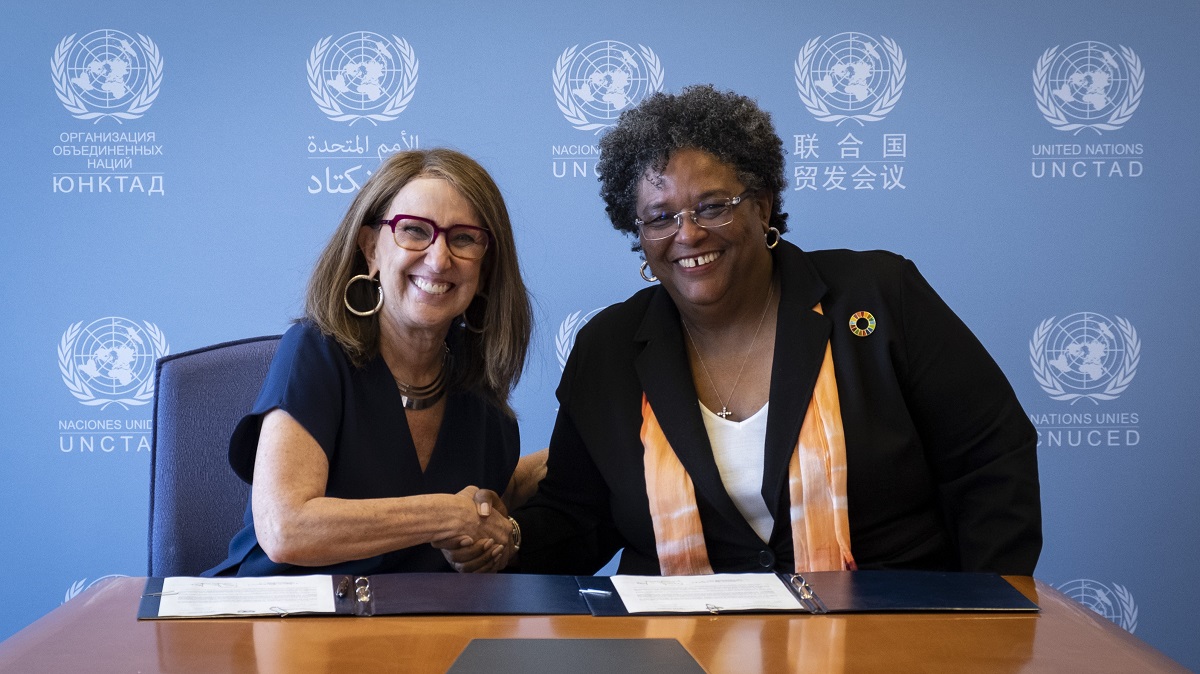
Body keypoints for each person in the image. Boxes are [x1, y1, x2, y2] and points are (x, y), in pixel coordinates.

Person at [448, 85, 1040, 577]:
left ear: (763, 204)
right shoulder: (609, 347)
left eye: (712, 206)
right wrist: (506, 542)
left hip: (889, 637)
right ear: (639, 237)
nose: (688, 234)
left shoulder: (877, 294)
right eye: (660, 218)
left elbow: (990, 458)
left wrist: (982, 612)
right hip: (683, 648)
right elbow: (579, 518)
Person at [206, 148, 543, 576]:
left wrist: (489, 539)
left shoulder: (483, 397)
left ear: (486, 267)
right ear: (371, 249)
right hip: (278, 622)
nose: (439, 259)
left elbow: (490, 504)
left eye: (463, 239)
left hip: (407, 633)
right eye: (415, 231)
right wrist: (445, 516)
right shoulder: (315, 352)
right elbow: (284, 528)